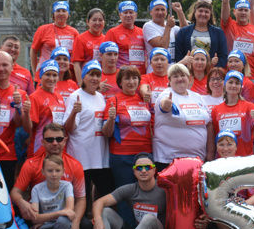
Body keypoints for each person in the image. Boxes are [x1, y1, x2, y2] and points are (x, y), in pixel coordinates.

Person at [13, 123, 90, 229]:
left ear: (65, 140)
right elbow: (15, 192)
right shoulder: (31, 164)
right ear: (42, 142)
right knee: (17, 212)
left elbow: (81, 199)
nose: (55, 143)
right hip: (38, 214)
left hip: (63, 215)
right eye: (49, 140)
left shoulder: (75, 165)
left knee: (85, 225)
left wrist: (76, 223)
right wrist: (22, 202)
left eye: (59, 139)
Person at [83, 153, 167, 229]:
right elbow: (99, 202)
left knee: (149, 219)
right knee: (105, 211)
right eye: (139, 168)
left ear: (154, 170)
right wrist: (98, 220)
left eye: (147, 167)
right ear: (134, 172)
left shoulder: (164, 190)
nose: (143, 171)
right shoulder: (130, 189)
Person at [63, 60, 112, 201]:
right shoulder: (75, 96)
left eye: (98, 75)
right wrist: (73, 112)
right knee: (81, 198)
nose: (95, 79)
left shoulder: (101, 97)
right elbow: (68, 128)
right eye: (91, 75)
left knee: (107, 194)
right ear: (83, 77)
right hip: (81, 157)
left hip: (100, 157)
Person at [103, 66, 152, 195]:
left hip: (145, 153)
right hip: (122, 155)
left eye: (134, 78)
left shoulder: (144, 99)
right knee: (124, 194)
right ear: (120, 82)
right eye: (127, 78)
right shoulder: (113, 101)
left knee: (145, 193)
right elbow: (107, 133)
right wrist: (111, 119)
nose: (131, 82)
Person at [152, 63, 212, 168]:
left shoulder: (197, 97)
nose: (180, 79)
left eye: (183, 75)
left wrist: (210, 152)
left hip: (197, 159)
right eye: (175, 76)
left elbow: (208, 123)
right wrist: (166, 104)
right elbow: (163, 105)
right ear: (169, 81)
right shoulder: (166, 94)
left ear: (188, 78)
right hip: (169, 160)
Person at [29, 154, 76, 229]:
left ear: (63, 172)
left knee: (63, 221)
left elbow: (69, 211)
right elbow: (35, 218)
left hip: (59, 226)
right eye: (50, 170)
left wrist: (43, 219)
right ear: (43, 172)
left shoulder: (67, 186)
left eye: (57, 170)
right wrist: (59, 212)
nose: (54, 174)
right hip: (43, 228)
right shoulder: (37, 189)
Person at [0, 52, 31, 187]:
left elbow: (20, 124)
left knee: (5, 193)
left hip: (6, 154)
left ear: (12, 67)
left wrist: (18, 106)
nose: (1, 68)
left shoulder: (20, 94)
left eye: (5, 65)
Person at [210, 71, 254, 159]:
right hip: (223, 159)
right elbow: (215, 136)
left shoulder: (249, 106)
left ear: (241, 87)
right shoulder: (216, 110)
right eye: (230, 82)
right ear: (225, 84)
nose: (233, 86)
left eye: (237, 83)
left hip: (245, 158)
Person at [27, 59, 67, 156]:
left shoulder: (59, 97)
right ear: (41, 76)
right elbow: (30, 128)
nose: (51, 78)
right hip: (40, 148)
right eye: (47, 74)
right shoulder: (34, 97)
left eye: (54, 75)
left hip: (57, 147)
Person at [31, 1, 79, 80]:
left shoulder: (74, 32)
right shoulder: (43, 29)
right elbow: (33, 51)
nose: (61, 14)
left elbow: (76, 56)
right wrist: (34, 71)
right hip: (46, 75)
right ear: (53, 14)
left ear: (68, 14)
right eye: (58, 11)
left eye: (64, 11)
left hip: (67, 76)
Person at [174, 0, 228, 68]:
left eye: (206, 12)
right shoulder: (184, 32)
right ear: (195, 13)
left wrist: (214, 69)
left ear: (210, 15)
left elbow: (223, 56)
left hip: (210, 74)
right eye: (200, 11)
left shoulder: (218, 33)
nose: (203, 14)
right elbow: (178, 54)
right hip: (189, 73)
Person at [141, 0, 187, 73]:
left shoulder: (170, 25)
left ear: (166, 12)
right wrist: (168, 27)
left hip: (171, 70)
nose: (160, 12)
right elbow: (162, 46)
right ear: (151, 12)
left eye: (163, 10)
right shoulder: (148, 26)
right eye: (157, 10)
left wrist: (180, 12)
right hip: (155, 71)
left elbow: (185, 31)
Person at [106, 1, 147, 70]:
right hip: (122, 75)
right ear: (120, 15)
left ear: (136, 15)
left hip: (141, 75)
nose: (128, 15)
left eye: (131, 12)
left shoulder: (143, 32)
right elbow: (106, 56)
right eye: (125, 13)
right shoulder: (112, 32)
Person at [71, 8, 107, 81]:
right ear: (88, 22)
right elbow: (77, 64)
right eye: (94, 20)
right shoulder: (80, 39)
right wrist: (81, 84)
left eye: (100, 20)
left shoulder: (107, 39)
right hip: (87, 80)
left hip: (102, 80)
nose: (97, 23)